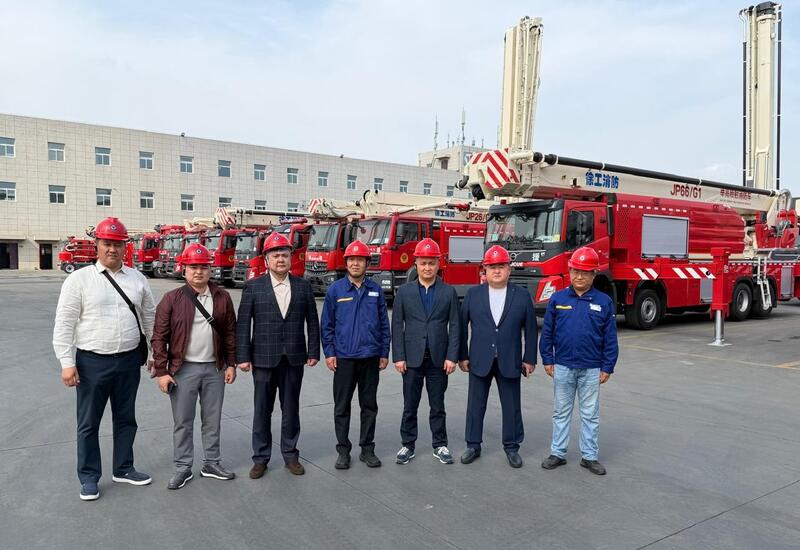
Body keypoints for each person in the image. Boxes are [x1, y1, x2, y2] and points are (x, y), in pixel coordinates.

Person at [53, 217, 155, 501]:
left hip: (128, 362)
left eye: (117, 244)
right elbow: (64, 323)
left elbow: (150, 318)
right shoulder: (79, 280)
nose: (112, 249)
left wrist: (154, 352)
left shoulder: (137, 279)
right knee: (88, 423)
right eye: (107, 243)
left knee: (126, 419)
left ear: (125, 247)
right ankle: (88, 477)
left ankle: (123, 468)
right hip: (92, 362)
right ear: (96, 244)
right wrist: (66, 362)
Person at [151, 243, 238, 490]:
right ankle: (183, 467)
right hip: (183, 369)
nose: (198, 271)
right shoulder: (172, 299)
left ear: (210, 269)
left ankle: (211, 463)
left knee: (212, 420)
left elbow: (231, 333)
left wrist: (231, 363)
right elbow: (159, 337)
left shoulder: (222, 297)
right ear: (184, 269)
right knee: (183, 421)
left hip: (215, 369)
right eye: (193, 267)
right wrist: (162, 371)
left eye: (203, 266)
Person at [236, 232, 320, 479]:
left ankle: (290, 455)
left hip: (294, 358)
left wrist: (313, 351)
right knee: (262, 410)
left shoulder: (303, 286)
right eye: (275, 255)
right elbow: (244, 325)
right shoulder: (253, 287)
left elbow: (312, 322)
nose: (280, 259)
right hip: (263, 358)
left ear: (291, 258)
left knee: (291, 409)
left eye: (284, 255)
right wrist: (243, 356)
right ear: (266, 259)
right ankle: (260, 458)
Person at [539, 247, 618, 476]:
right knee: (561, 412)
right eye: (575, 271)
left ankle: (589, 456)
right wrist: (547, 359)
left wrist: (607, 366)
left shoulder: (604, 302)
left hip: (592, 368)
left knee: (590, 414)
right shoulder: (558, 299)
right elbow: (548, 332)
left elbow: (610, 338)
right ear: (569, 271)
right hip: (563, 366)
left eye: (584, 272)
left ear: (594, 274)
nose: (579, 276)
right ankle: (557, 453)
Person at [459, 245, 537, 468]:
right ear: (484, 269)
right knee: (475, 405)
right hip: (479, 359)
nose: (496, 270)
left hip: (509, 359)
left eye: (501, 266)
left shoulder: (521, 296)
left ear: (509, 269)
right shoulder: (473, 295)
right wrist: (462, 355)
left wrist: (529, 358)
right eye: (492, 266)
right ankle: (473, 444)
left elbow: (531, 330)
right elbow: (462, 327)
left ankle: (512, 447)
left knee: (511, 406)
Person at [320, 239, 390, 470]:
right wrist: (329, 353)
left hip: (370, 357)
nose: (355, 263)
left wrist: (384, 352)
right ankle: (343, 450)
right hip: (344, 358)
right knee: (342, 407)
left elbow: (384, 324)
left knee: (369, 406)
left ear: (367, 263)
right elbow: (327, 325)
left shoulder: (375, 290)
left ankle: (367, 449)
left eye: (360, 259)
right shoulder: (336, 290)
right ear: (346, 262)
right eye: (351, 259)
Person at [392, 238, 460, 465]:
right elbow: (397, 325)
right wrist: (399, 356)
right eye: (423, 263)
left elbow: (455, 326)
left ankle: (440, 445)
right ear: (416, 264)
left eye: (431, 263)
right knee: (409, 406)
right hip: (411, 359)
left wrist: (452, 357)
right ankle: (407, 445)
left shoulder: (448, 292)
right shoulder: (404, 292)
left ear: (438, 264)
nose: (427, 268)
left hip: (438, 360)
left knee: (437, 405)